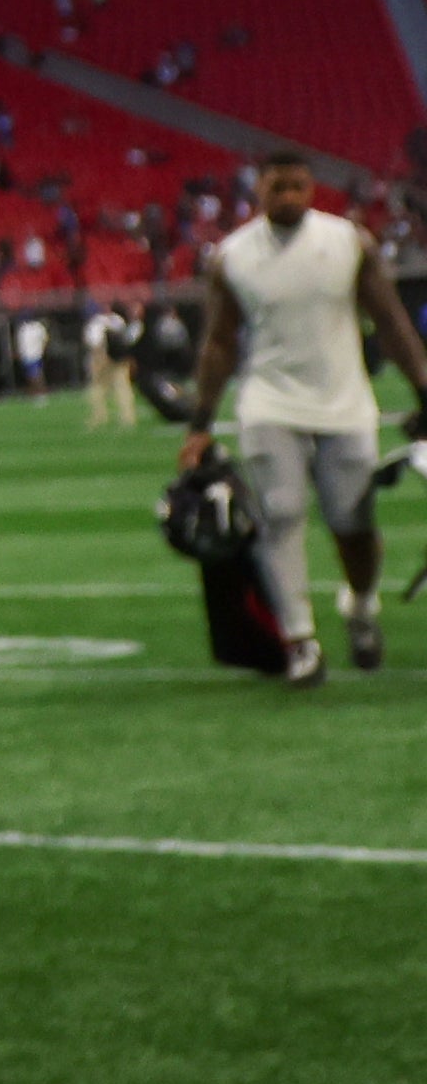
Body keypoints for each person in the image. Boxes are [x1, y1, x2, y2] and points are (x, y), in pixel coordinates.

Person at [179, 145, 427, 685]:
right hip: (268, 401)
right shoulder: (232, 255)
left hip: (345, 401)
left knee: (351, 523)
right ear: (258, 189)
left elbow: (390, 320)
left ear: (312, 190)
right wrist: (201, 420)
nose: (287, 196)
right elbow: (218, 342)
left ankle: (360, 608)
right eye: (276, 187)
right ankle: (300, 640)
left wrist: (424, 388)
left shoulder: (348, 242)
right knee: (281, 514)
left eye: (297, 187)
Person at [84, 297, 142, 427]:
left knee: (102, 387)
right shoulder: (117, 321)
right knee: (117, 387)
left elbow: (92, 341)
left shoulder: (99, 322)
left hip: (103, 356)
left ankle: (103, 417)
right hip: (115, 357)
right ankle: (123, 417)